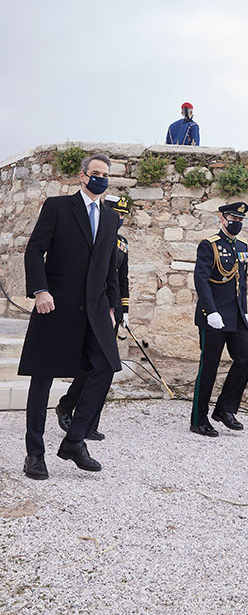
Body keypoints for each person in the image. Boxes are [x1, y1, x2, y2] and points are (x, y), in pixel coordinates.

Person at [19, 153, 122, 479]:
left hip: (95, 310)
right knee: (42, 378)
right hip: (55, 306)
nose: (101, 179)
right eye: (96, 173)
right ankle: (34, 454)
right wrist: (40, 290)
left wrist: (112, 307)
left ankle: (75, 440)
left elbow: (109, 267)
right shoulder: (58, 207)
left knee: (105, 366)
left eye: (105, 174)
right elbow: (34, 249)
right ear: (82, 176)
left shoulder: (110, 218)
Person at [55, 195, 132, 442]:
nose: (120, 219)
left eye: (123, 215)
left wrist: (124, 310)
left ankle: (89, 423)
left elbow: (122, 278)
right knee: (90, 366)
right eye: (117, 214)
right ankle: (67, 405)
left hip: (111, 311)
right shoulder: (94, 236)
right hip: (92, 307)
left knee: (103, 367)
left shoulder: (122, 243)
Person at [190, 202, 248, 437]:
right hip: (213, 316)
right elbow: (201, 280)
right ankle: (198, 419)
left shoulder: (242, 246)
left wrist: (244, 310)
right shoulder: (209, 245)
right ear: (222, 219)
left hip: (235, 316)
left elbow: (242, 283)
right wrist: (211, 311)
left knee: (245, 359)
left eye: (240, 220)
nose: (237, 223)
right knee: (209, 368)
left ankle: (225, 409)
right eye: (233, 219)